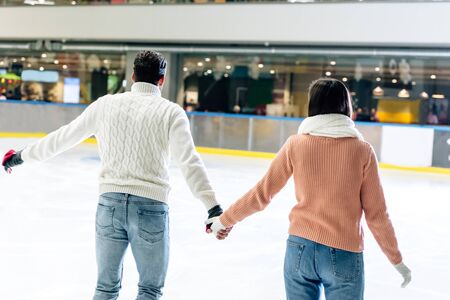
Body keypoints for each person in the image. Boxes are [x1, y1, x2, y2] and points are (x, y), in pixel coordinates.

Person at [2, 50, 223, 300]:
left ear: (132, 76)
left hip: (109, 207)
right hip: (151, 208)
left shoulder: (105, 105)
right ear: (161, 80)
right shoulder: (171, 112)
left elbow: (63, 138)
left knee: (105, 288)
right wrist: (212, 207)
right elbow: (189, 162)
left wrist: (21, 156)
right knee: (149, 290)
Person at [206, 78, 411, 300]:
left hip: (299, 250)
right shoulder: (362, 151)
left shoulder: (296, 144)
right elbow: (377, 214)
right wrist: (397, 260)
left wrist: (223, 221)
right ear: (346, 106)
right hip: (343, 254)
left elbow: (261, 194)